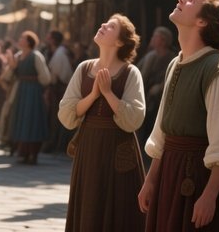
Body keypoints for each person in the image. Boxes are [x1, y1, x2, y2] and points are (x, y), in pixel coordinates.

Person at [138, 0, 219, 231]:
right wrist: (150, 180)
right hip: (170, 173)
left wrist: (210, 195)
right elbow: (163, 132)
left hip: (198, 180)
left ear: (203, 21)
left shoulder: (218, 71)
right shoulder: (175, 64)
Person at [59, 15, 146, 232]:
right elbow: (66, 113)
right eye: (105, 24)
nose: (103, 26)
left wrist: (108, 94)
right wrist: (94, 94)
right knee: (89, 204)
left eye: (111, 26)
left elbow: (134, 118)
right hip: (89, 145)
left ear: (119, 42)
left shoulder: (130, 72)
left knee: (118, 207)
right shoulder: (84, 68)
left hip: (118, 146)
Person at [5, 30, 51, 164]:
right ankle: (23, 152)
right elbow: (8, 76)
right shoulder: (18, 56)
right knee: (21, 119)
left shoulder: (36, 56)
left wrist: (39, 86)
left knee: (32, 120)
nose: (20, 40)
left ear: (29, 42)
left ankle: (33, 153)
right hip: (21, 91)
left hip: (33, 92)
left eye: (22, 38)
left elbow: (45, 77)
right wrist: (12, 66)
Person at [136, 26, 175, 156]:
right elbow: (138, 74)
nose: (152, 39)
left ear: (163, 40)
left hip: (162, 100)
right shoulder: (149, 56)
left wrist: (159, 87)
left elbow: (171, 78)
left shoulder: (172, 58)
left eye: (155, 36)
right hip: (146, 97)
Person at [44, 29, 74, 153]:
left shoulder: (60, 53)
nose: (47, 39)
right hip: (57, 89)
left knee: (57, 117)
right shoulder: (57, 52)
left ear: (53, 40)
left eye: (49, 37)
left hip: (59, 90)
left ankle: (57, 144)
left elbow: (59, 74)